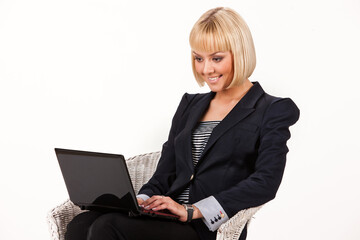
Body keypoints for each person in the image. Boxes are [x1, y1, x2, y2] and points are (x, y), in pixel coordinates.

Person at [65, 6, 300, 240]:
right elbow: (165, 173)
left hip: (204, 228)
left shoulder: (272, 109)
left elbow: (266, 181)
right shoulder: (190, 105)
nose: (206, 69)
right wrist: (142, 201)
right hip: (166, 217)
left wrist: (193, 210)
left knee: (108, 226)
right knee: (81, 223)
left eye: (216, 58)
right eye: (199, 58)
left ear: (240, 54)